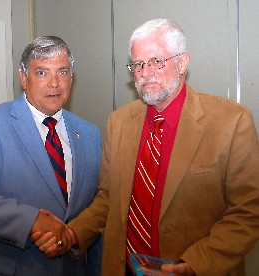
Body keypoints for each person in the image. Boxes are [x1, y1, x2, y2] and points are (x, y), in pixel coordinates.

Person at [33, 19, 259, 276]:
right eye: (138, 64)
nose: (145, 72)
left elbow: (248, 213)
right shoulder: (118, 123)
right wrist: (73, 233)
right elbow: (108, 199)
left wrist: (194, 266)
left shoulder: (231, 121)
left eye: (156, 61)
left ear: (183, 62)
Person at [0, 36, 102, 275]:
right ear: (24, 78)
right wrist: (31, 220)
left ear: (71, 79)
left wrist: (75, 236)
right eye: (42, 73)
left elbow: (98, 203)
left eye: (63, 72)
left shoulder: (90, 133)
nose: (54, 83)